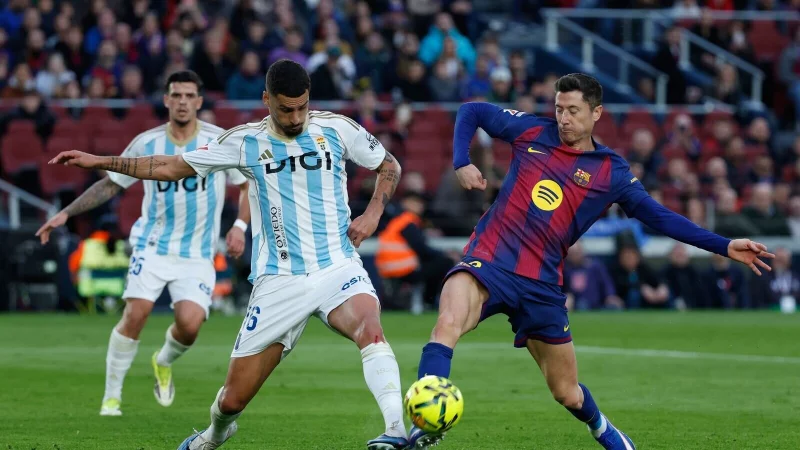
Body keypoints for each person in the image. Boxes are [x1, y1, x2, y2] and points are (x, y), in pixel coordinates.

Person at [48, 59, 408, 450]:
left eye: (302, 106)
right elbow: (170, 166)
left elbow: (388, 165)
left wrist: (372, 214)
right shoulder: (242, 141)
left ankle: (395, 430)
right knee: (232, 399)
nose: (295, 117)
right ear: (267, 99)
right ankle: (214, 434)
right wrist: (101, 161)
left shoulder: (337, 128)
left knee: (370, 330)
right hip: (279, 280)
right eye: (286, 108)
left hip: (337, 265)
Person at [407, 73, 775, 450]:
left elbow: (659, 216)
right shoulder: (531, 131)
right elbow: (472, 110)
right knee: (447, 324)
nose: (563, 118)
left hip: (541, 284)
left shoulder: (610, 171)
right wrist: (461, 161)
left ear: (596, 113)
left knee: (567, 393)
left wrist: (724, 245)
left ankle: (601, 427)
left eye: (573, 111)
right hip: (489, 262)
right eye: (558, 109)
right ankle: (425, 426)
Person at [36, 70, 251, 417]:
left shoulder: (218, 141)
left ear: (198, 101)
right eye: (175, 95)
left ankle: (162, 361)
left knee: (190, 324)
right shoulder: (147, 142)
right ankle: (111, 398)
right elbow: (111, 184)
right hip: (152, 244)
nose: (182, 102)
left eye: (188, 96)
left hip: (198, 252)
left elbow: (245, 185)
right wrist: (66, 213)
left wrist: (240, 225)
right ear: (166, 100)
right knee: (137, 312)